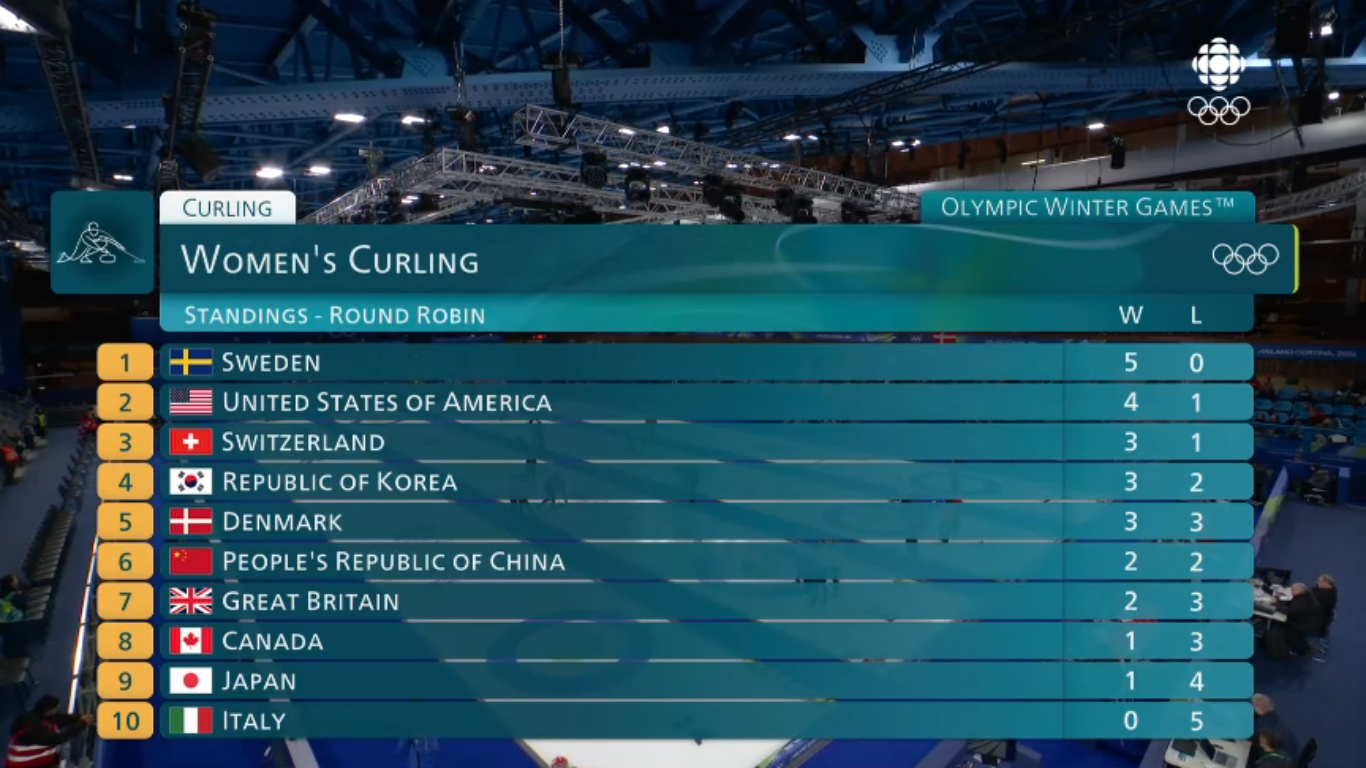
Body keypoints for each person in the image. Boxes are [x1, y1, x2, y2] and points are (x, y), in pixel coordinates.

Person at [4, 695, 92, 768]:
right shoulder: (35, 729)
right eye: (55, 708)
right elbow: (58, 738)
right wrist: (82, 724)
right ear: (50, 710)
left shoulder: (37, 715)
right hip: (25, 763)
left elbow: (60, 719)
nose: (57, 710)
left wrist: (80, 718)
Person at [1277, 583, 1324, 657]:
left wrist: (1277, 605)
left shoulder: (1302, 601)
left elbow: (1290, 611)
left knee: (1287, 628)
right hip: (1308, 621)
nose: (1291, 591)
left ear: (1299, 590)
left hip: (1305, 625)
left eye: (1293, 589)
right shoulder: (1305, 596)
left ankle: (1301, 649)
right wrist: (1279, 602)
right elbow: (1291, 603)